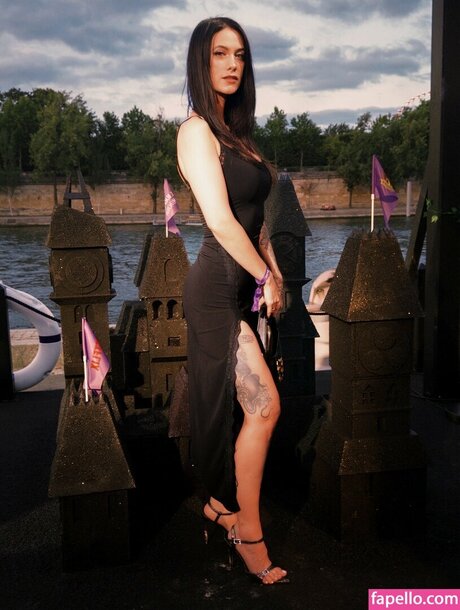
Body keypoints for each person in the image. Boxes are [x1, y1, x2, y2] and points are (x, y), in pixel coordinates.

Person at [177, 17, 288, 585]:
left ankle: (220, 509)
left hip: (243, 285)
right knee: (264, 408)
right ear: (202, 61)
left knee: (253, 410)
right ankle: (246, 530)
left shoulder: (236, 135)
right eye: (220, 53)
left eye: (240, 55)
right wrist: (264, 276)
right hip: (216, 290)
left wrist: (272, 273)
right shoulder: (196, 131)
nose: (232, 64)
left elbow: (254, 218)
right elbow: (221, 221)